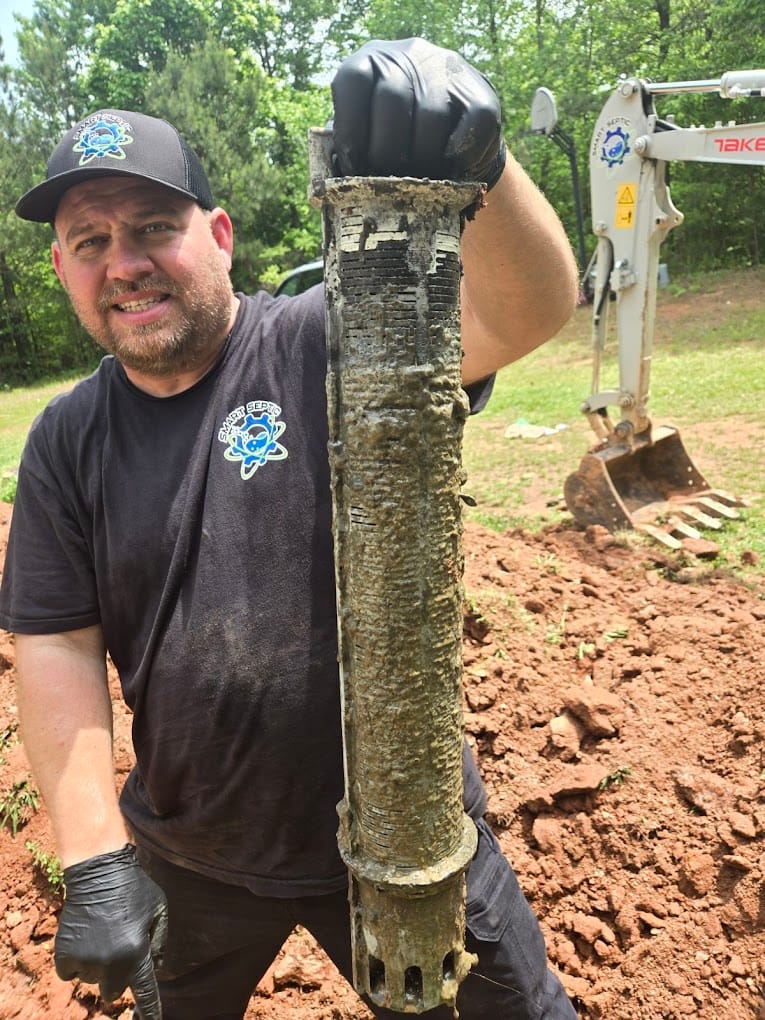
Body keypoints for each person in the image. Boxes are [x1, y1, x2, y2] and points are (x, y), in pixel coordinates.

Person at [0, 38, 579, 1020]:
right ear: (61, 267)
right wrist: (97, 860)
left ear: (220, 233)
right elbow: (55, 640)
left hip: (402, 845)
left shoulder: (327, 339)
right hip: (190, 857)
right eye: (90, 242)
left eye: (152, 227)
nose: (124, 264)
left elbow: (523, 313)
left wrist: (484, 167)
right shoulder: (65, 440)